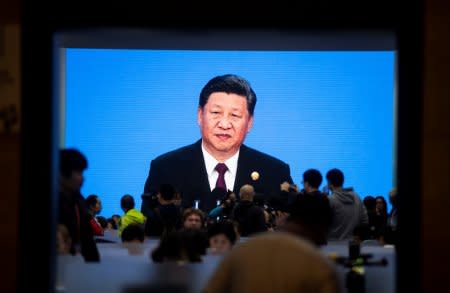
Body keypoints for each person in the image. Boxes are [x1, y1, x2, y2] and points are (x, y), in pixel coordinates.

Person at [141, 74, 293, 214]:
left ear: (250, 123)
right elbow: (150, 231)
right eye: (216, 113)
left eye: (235, 115)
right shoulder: (165, 168)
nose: (225, 124)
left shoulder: (275, 172)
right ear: (200, 115)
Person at [58, 148, 100, 262]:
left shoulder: (78, 201)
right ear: (62, 173)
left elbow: (87, 239)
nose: (83, 178)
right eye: (79, 172)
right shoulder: (53, 204)